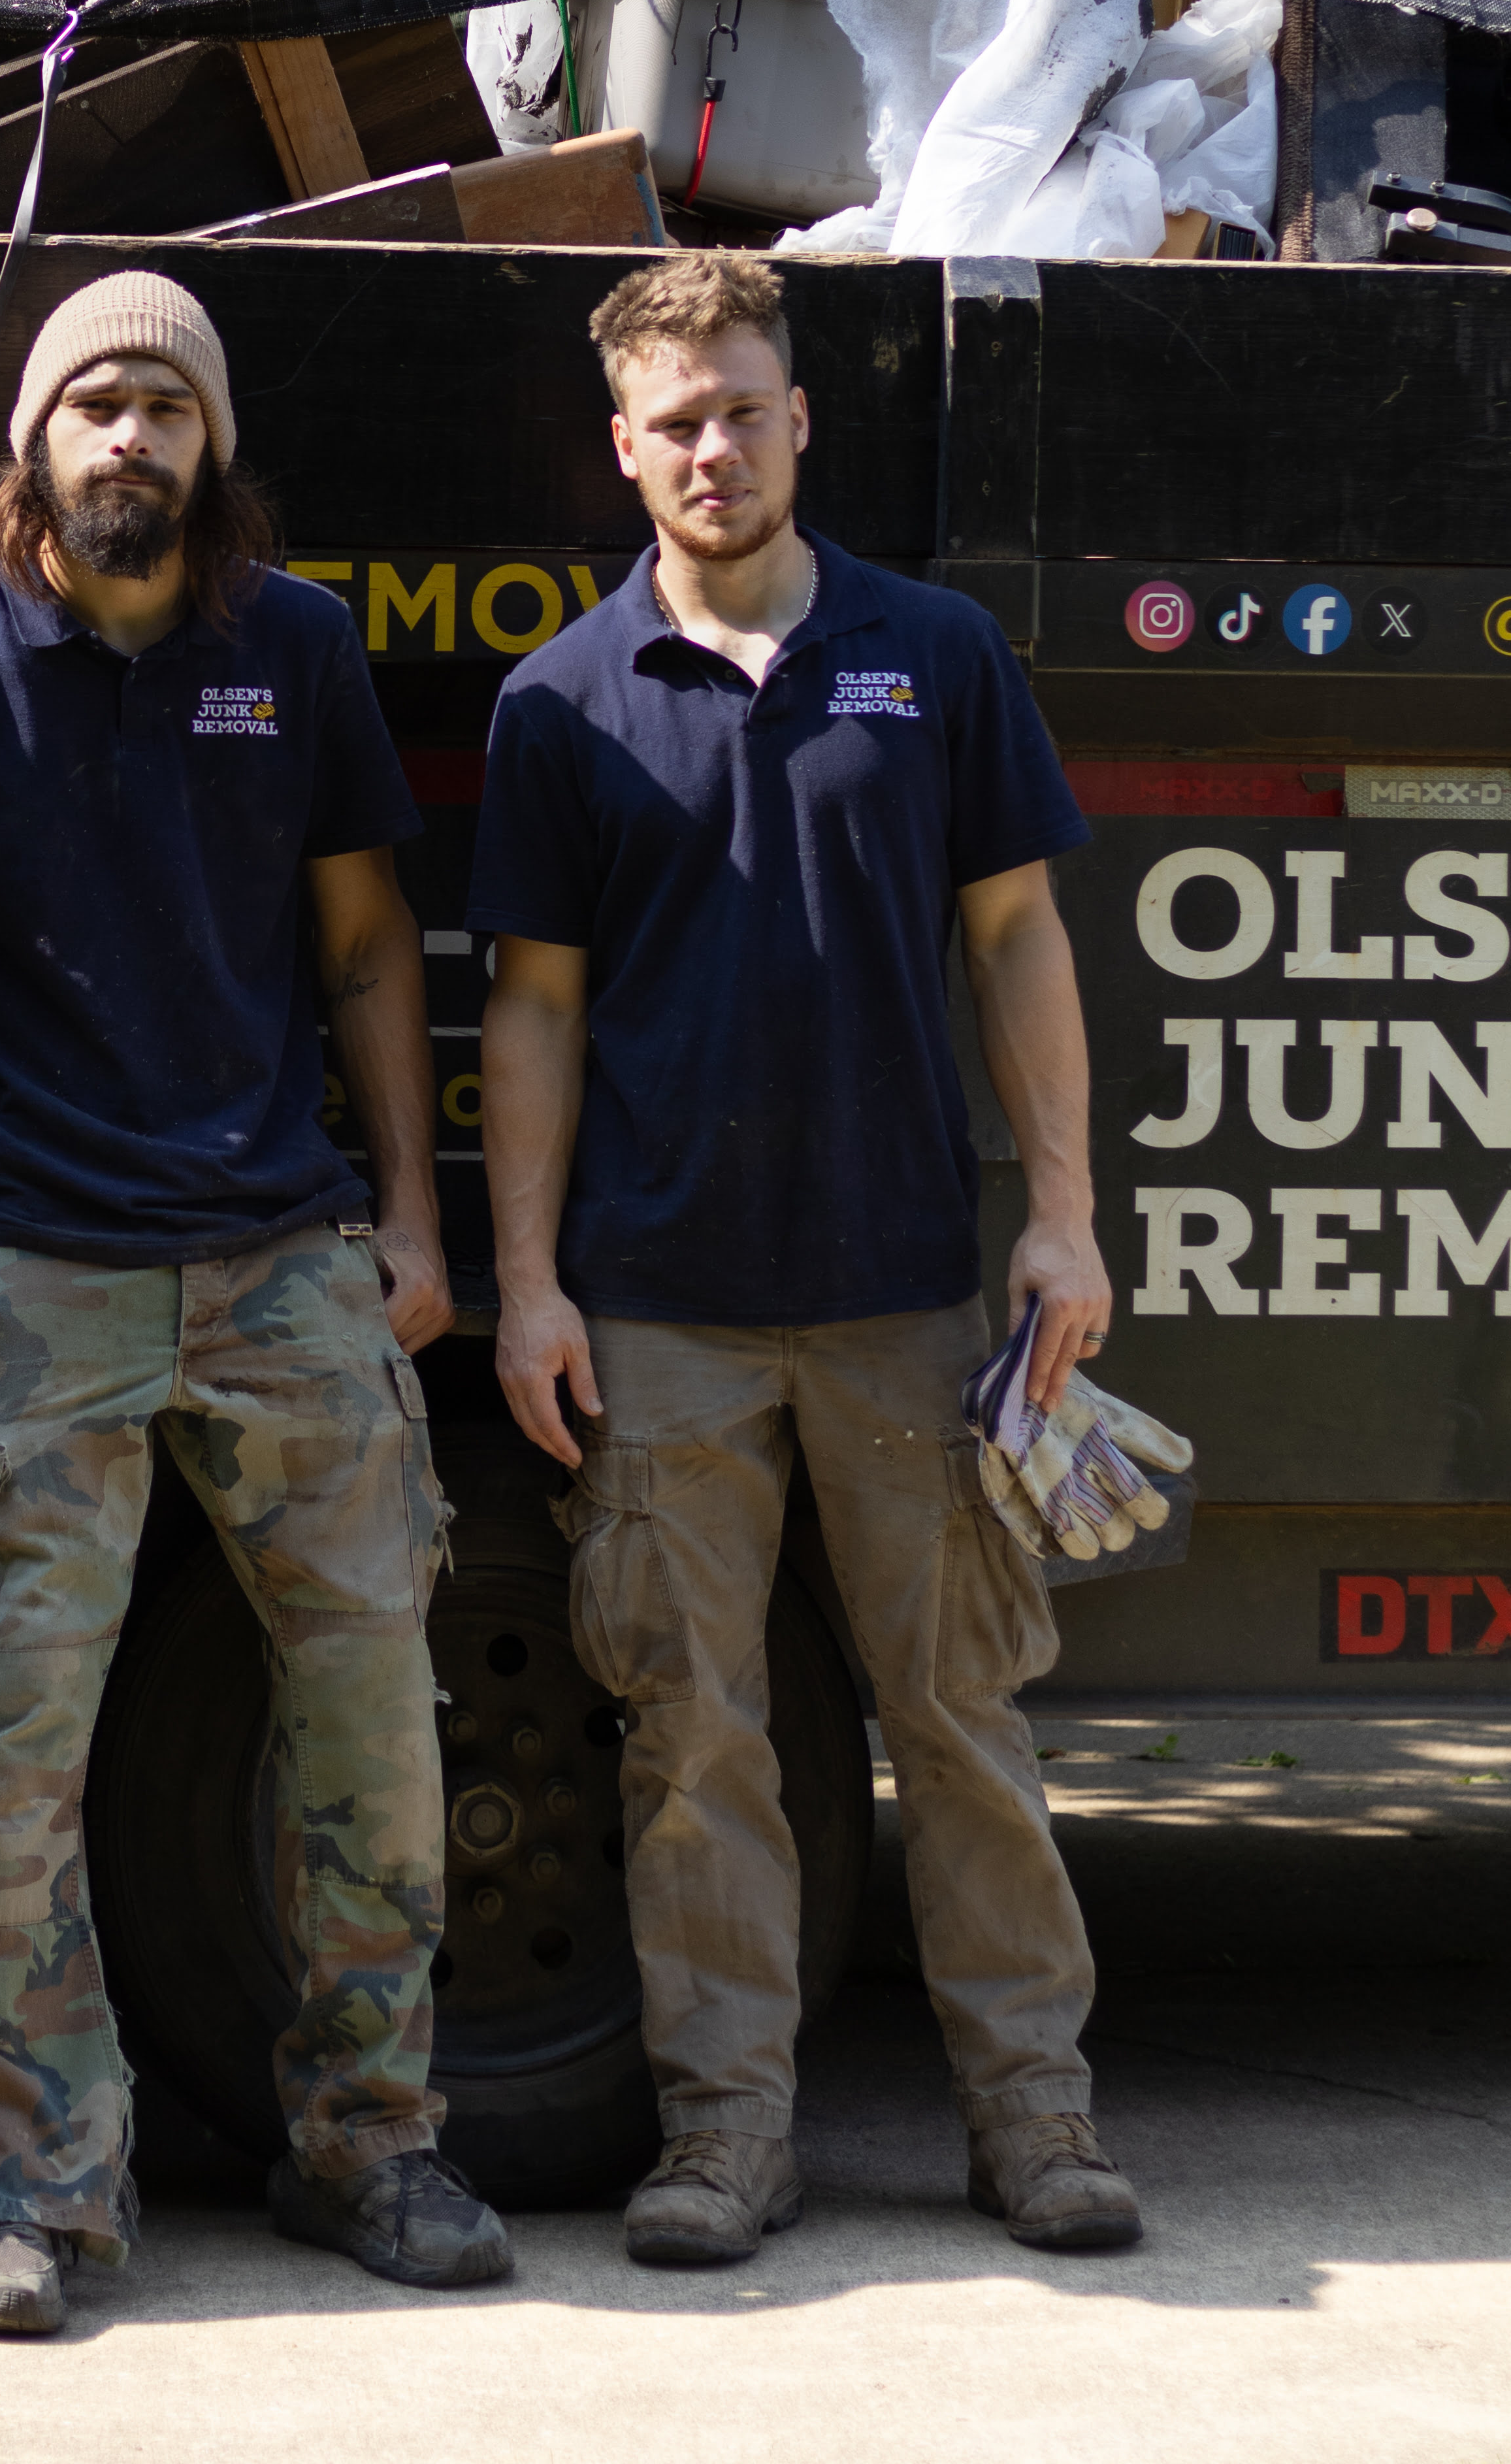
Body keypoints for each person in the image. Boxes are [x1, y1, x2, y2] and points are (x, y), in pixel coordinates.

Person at [0, 271, 511, 2337]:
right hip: (28, 1270)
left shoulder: (293, 654)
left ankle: (374, 2141)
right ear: (32, 443)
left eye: (167, 409)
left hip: (284, 1261)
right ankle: (10, 2195)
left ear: (215, 449)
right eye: (95, 403)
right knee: (17, 1747)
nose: (131, 440)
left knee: (375, 1717)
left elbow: (374, 948)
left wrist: (414, 1226)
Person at [473, 253, 1141, 2267]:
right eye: (675, 419)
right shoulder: (562, 703)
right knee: (695, 1739)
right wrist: (528, 1281)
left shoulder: (928, 652)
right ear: (624, 447)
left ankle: (1038, 2125)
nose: (712, 447)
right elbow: (532, 1011)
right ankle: (724, 2140)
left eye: (743, 407)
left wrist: (1062, 1211)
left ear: (799, 419)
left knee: (964, 1726)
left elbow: (1019, 936)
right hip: (660, 1307)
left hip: (908, 1297)